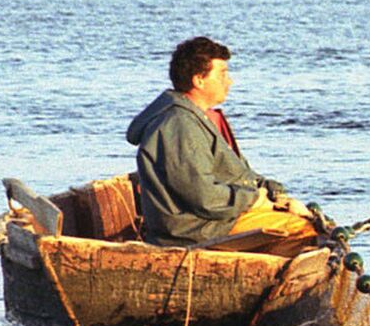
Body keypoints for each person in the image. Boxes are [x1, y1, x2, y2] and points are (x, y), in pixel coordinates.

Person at [126, 36, 318, 252]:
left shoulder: (198, 118)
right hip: (192, 231)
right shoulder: (179, 125)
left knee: (307, 219)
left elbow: (237, 175)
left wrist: (274, 193)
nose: (229, 81)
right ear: (199, 80)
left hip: (213, 221)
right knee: (302, 230)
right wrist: (254, 200)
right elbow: (203, 197)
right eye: (223, 74)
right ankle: (260, 283)